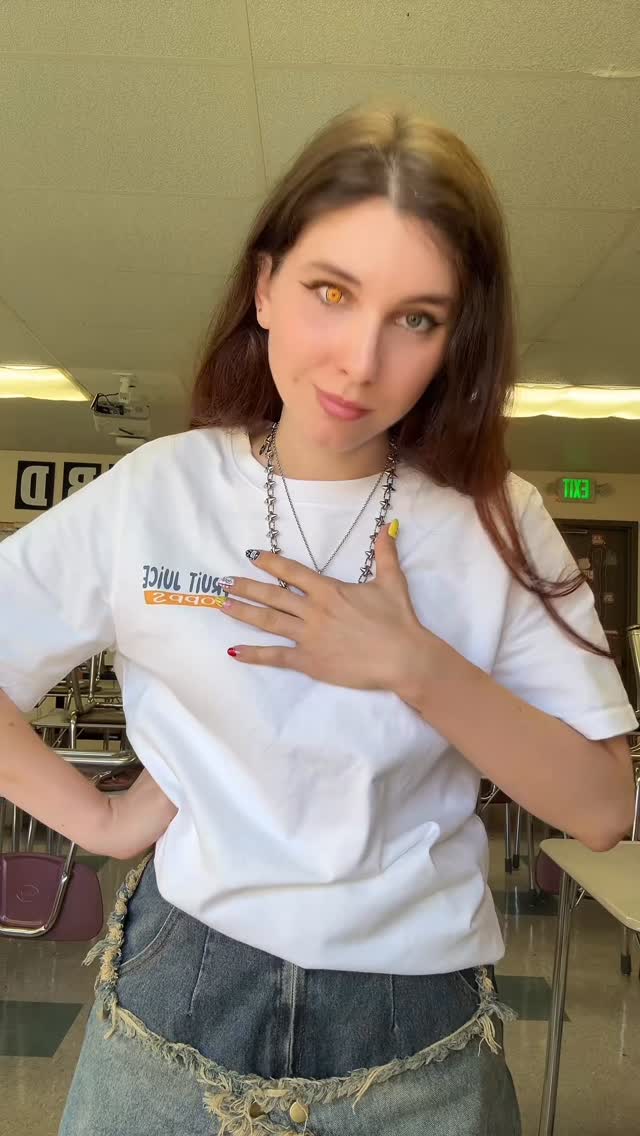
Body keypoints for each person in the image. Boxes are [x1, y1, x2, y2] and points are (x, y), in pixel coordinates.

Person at [0, 104, 636, 1136]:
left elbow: (604, 806)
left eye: (416, 318)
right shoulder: (159, 490)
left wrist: (416, 665)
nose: (358, 362)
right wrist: (99, 820)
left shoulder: (495, 518)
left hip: (412, 1028)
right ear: (264, 286)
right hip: (177, 989)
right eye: (330, 293)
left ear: (455, 339)